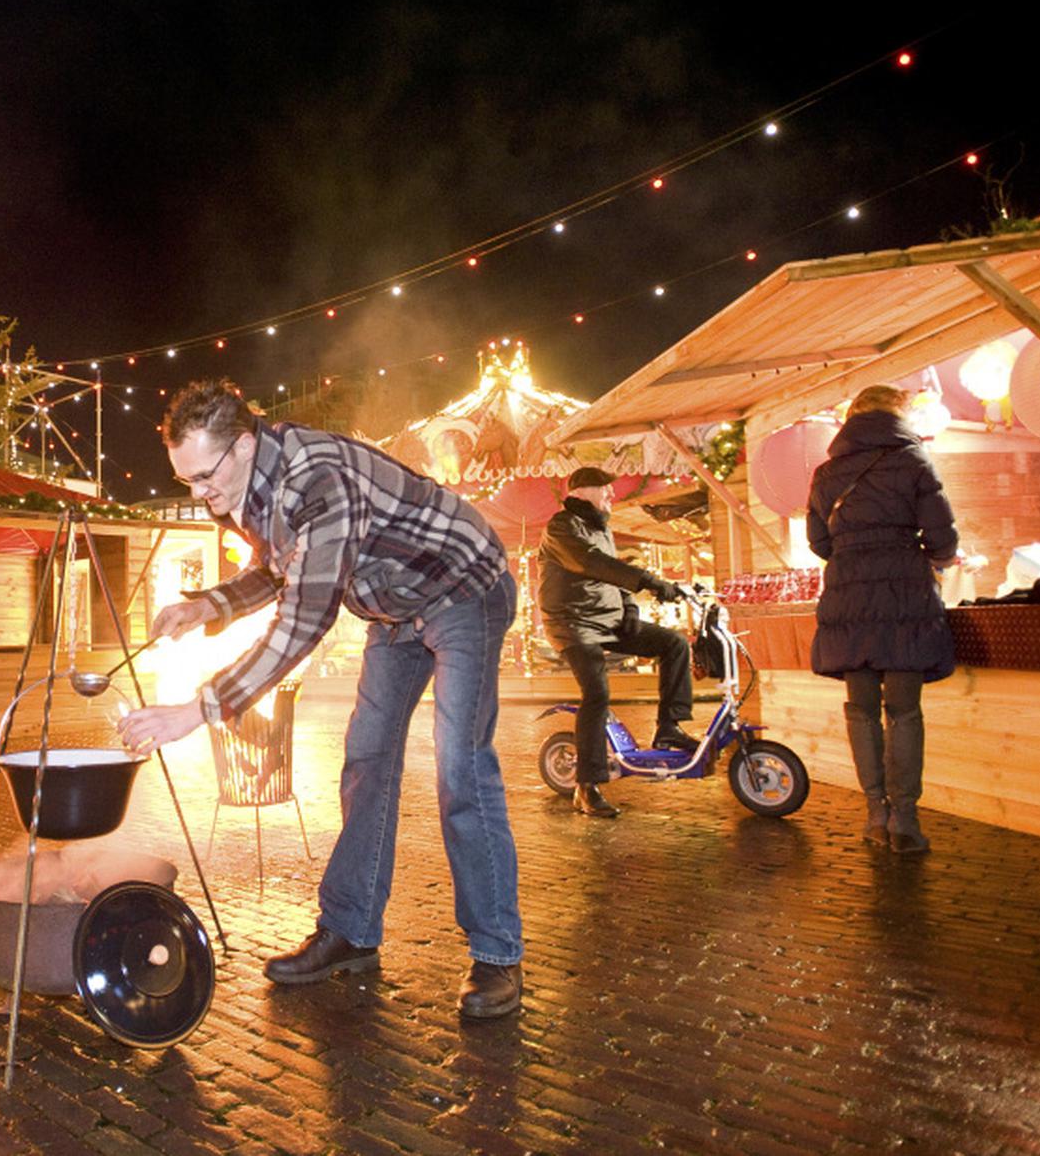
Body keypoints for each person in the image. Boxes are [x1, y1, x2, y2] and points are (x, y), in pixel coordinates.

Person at [117, 380, 526, 1019]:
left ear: (244, 445)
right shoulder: (246, 488)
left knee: (460, 771)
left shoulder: (318, 479)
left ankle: (498, 955)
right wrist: (207, 605)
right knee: (366, 761)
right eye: (186, 481)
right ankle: (351, 932)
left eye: (204, 477)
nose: (199, 495)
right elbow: (279, 568)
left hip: (464, 588)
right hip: (392, 608)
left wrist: (199, 710)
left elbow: (305, 616)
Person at [805, 384, 958, 855]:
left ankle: (875, 815)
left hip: (849, 596)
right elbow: (942, 538)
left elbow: (819, 541)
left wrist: (853, 552)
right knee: (905, 710)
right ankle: (905, 820)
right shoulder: (912, 461)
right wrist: (930, 555)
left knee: (861, 710)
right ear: (899, 415)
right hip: (903, 593)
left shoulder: (827, 470)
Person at [537, 466, 693, 819]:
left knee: (674, 644)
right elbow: (589, 562)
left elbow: (612, 573)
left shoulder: (602, 528)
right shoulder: (561, 527)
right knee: (597, 693)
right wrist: (648, 580)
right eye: (604, 489)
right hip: (572, 624)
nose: (611, 495)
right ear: (581, 492)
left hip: (609, 619)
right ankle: (587, 786)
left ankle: (670, 728)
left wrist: (631, 607)